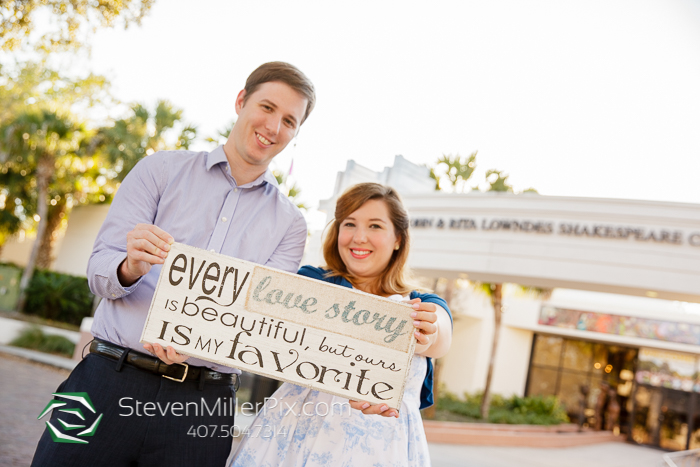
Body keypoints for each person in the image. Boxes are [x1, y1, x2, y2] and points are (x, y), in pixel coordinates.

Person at [31, 61, 316, 467]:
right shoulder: (160, 170)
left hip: (202, 406)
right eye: (267, 107)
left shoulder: (290, 225)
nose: (274, 126)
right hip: (108, 379)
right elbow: (99, 270)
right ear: (241, 101)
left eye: (289, 120)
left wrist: (201, 336)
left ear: (296, 132)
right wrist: (130, 266)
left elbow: (261, 321)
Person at [230, 183, 453, 467]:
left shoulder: (421, 302)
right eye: (349, 224)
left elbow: (441, 337)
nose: (359, 237)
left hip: (380, 450)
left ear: (398, 238)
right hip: (293, 440)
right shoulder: (312, 282)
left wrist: (428, 332)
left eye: (375, 226)